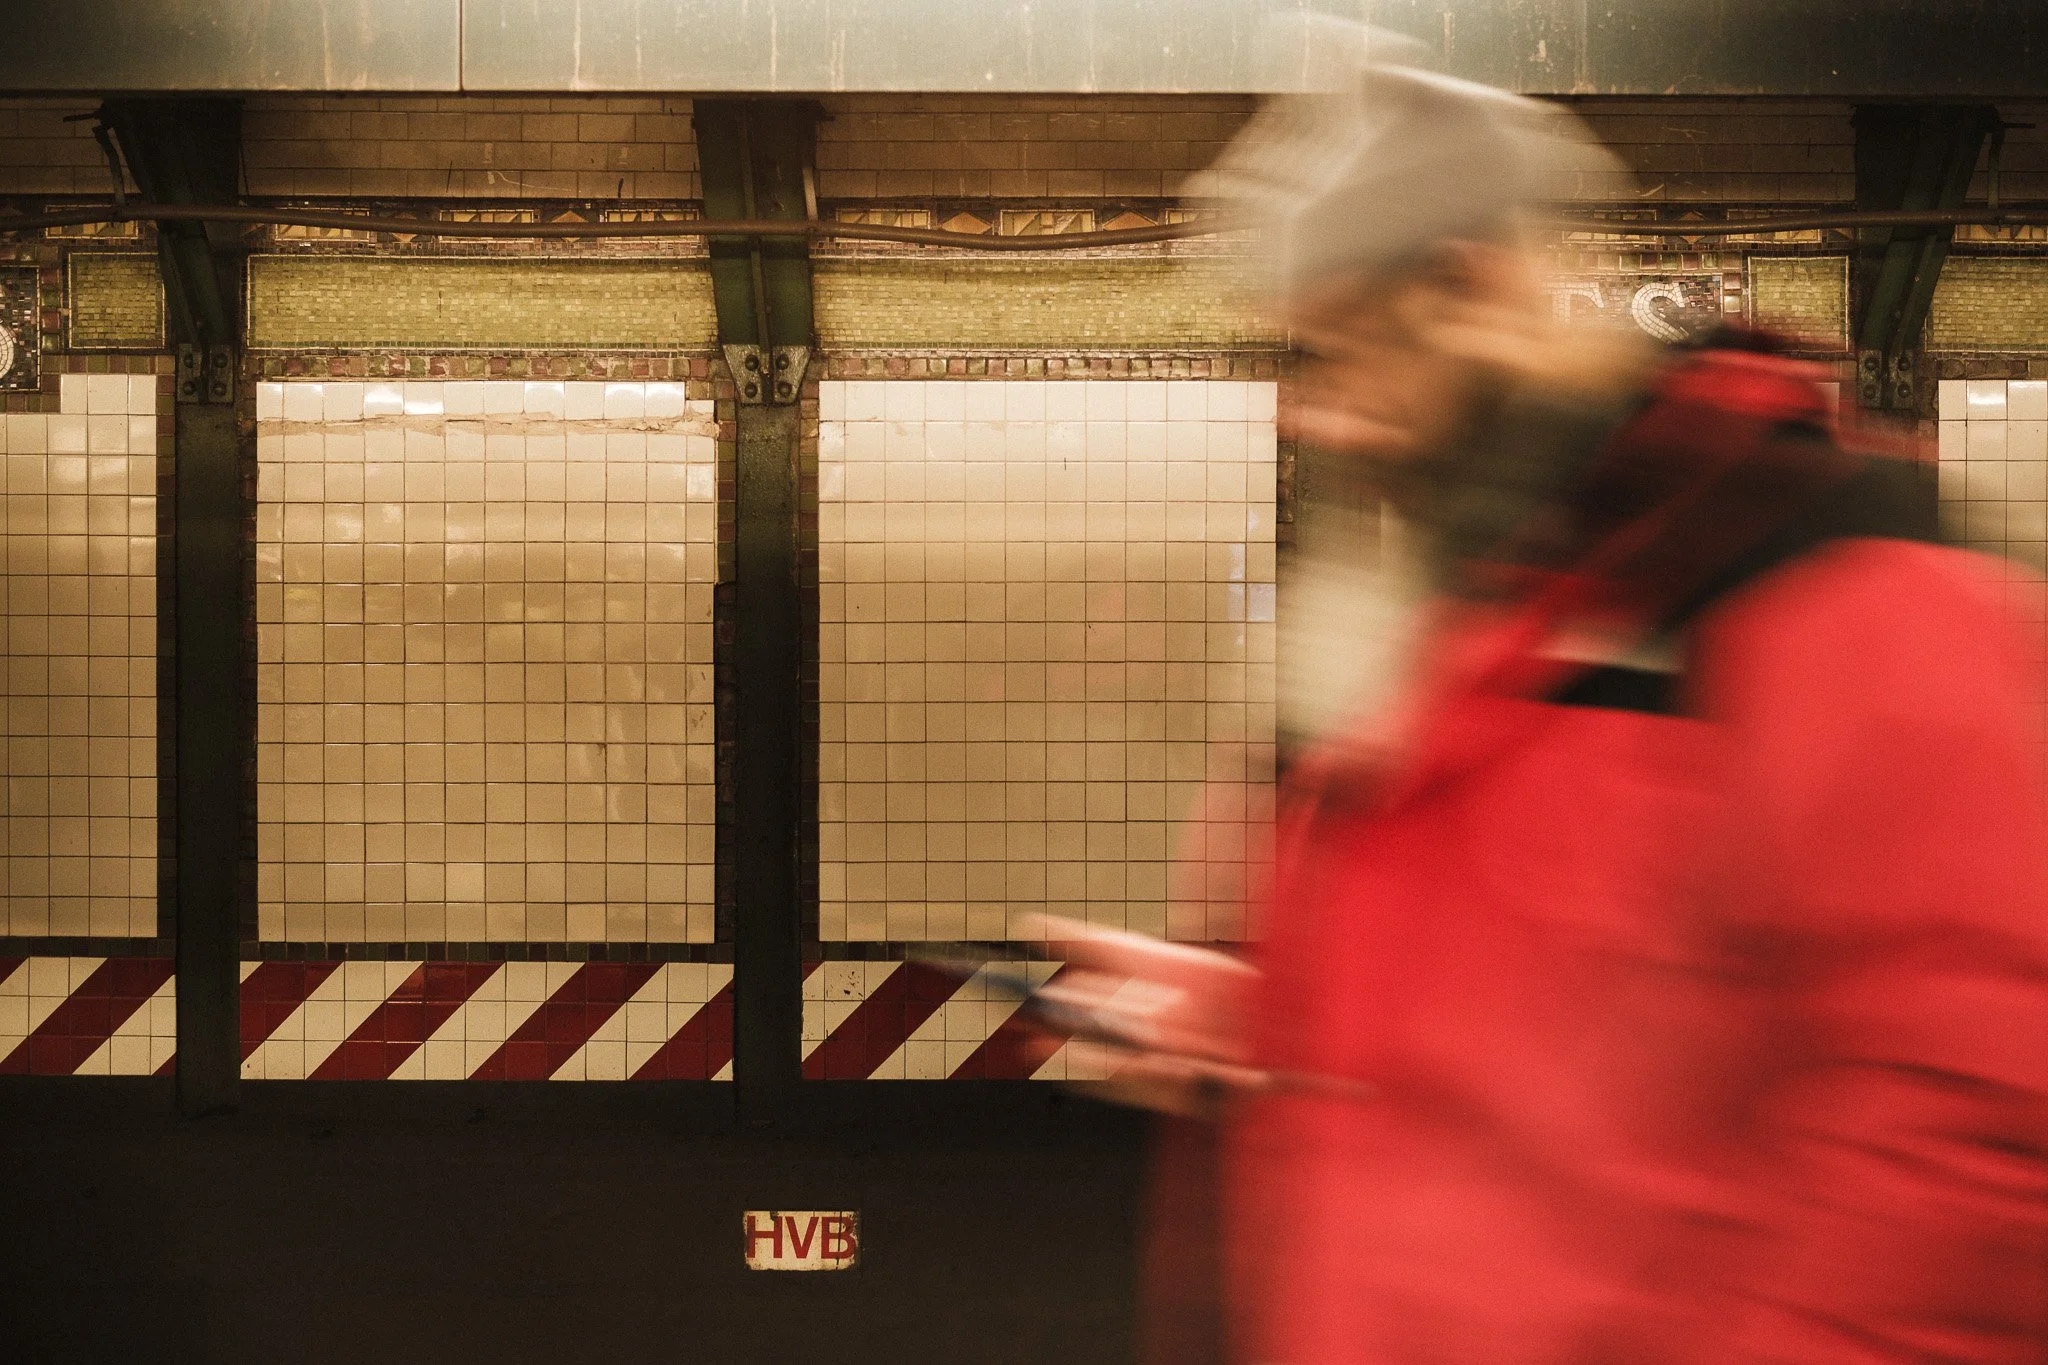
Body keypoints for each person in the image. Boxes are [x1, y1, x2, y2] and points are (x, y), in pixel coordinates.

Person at [1031, 59, 2048, 1365]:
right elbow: (1569, 1023)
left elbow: (1979, 1129)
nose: (1313, 414)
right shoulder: (1479, 617)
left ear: (1471, 285)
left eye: (1336, 349)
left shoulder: (1834, 585)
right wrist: (1264, 1016)